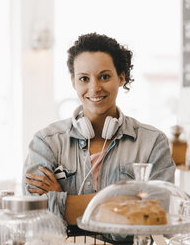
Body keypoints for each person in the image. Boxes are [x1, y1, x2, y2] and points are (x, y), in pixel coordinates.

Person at [22, 33, 175, 241]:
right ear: (74, 82)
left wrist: (61, 202)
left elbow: (157, 217)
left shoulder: (153, 143)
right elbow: (35, 216)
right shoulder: (46, 142)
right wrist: (124, 203)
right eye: (84, 78)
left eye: (104, 76)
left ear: (121, 77)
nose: (94, 88)